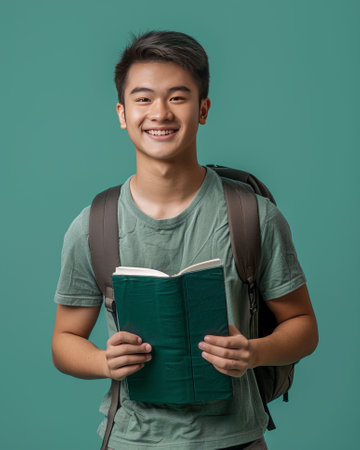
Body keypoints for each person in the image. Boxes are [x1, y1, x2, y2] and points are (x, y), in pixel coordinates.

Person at [52, 31, 318, 450]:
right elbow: (64, 341)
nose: (160, 112)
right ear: (122, 113)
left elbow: (303, 327)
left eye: (178, 97)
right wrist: (104, 361)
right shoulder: (93, 226)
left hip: (237, 440)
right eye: (143, 99)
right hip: (130, 440)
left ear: (203, 109)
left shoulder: (254, 217)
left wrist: (252, 352)